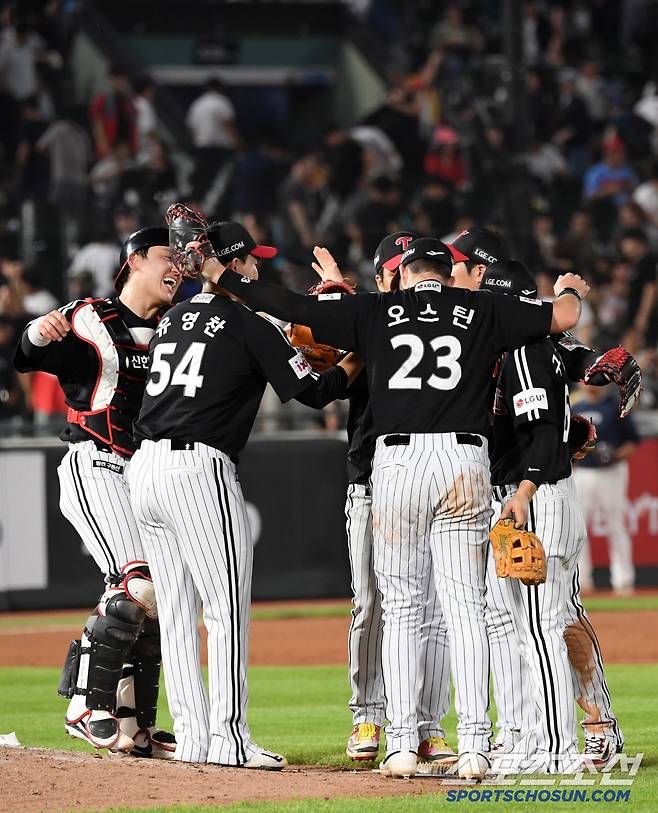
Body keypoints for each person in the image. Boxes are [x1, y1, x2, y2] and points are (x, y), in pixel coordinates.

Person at [216, 236, 588, 779]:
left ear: (406, 274)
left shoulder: (377, 309)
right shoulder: (483, 308)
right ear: (447, 274)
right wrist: (571, 290)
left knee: (402, 609)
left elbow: (290, 305)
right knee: (465, 609)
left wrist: (223, 277)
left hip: (397, 465)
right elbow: (563, 317)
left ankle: (401, 744)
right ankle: (476, 746)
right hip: (465, 463)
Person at [128, 220, 362, 768]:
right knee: (225, 608)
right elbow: (314, 392)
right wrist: (359, 358)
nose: (258, 268)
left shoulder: (173, 318)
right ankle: (230, 740)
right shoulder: (248, 321)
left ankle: (193, 739)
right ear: (234, 265)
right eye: (253, 260)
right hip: (196, 469)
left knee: (178, 612)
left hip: (145, 467)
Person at [13, 228, 181, 757]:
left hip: (148, 471)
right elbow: (25, 355)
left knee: (159, 598)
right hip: (97, 460)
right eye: (167, 256)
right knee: (138, 584)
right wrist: (38, 332)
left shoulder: (180, 326)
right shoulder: (92, 315)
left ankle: (136, 724)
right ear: (135, 261)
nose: (177, 266)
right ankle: (85, 706)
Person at [478, 260, 634, 771]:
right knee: (549, 619)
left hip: (537, 493)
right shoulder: (529, 346)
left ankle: (558, 744)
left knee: (546, 625)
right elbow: (578, 362)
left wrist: (527, 486)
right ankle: (562, 733)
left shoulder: (524, 349)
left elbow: (542, 429)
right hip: (536, 489)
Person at [313, 233, 458, 767]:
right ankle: (368, 713)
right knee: (372, 603)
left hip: (434, 479)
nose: (406, 279)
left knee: (436, 608)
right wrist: (335, 304)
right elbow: (322, 376)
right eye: (396, 271)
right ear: (381, 279)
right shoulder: (369, 325)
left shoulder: (449, 325)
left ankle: (427, 726)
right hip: (372, 480)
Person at [573, 384, 640, 594]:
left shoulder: (615, 407)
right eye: (586, 379)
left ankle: (623, 579)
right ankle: (581, 580)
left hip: (612, 471)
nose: (589, 383)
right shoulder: (576, 408)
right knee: (579, 528)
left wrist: (615, 455)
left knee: (616, 524)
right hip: (583, 472)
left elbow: (632, 441)